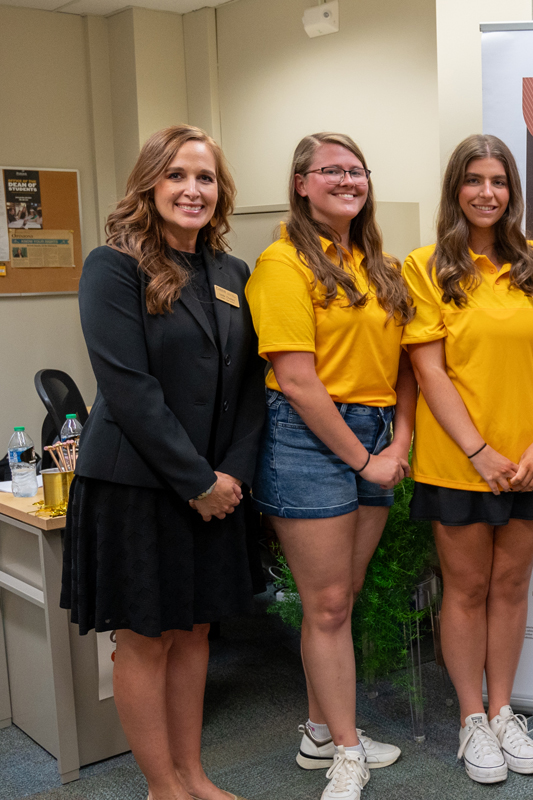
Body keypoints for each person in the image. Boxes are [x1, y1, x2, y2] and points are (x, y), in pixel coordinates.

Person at [61, 125, 264, 800]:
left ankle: (193, 775)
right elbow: (130, 391)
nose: (192, 189)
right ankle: (163, 787)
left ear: (220, 191)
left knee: (196, 630)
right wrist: (198, 480)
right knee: (147, 637)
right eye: (177, 174)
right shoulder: (112, 267)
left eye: (205, 177)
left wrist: (229, 476)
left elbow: (247, 387)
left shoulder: (232, 272)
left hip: (216, 487)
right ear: (150, 183)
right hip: (139, 487)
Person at [403, 134, 533, 785]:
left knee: (510, 587)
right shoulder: (425, 268)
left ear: (513, 192)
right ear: (456, 189)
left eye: (499, 181)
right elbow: (428, 369)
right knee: (467, 588)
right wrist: (479, 452)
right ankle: (471, 720)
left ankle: (504, 710)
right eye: (474, 179)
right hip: (458, 464)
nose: (487, 192)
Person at [245, 132, 415, 800]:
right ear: (300, 184)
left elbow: (406, 367)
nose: (347, 179)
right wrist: (366, 460)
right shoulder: (282, 263)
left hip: (375, 433)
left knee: (340, 597)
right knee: (326, 603)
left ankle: (321, 730)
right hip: (309, 438)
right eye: (331, 170)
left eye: (356, 170)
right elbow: (297, 379)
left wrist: (397, 445)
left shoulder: (381, 265)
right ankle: (346, 749)